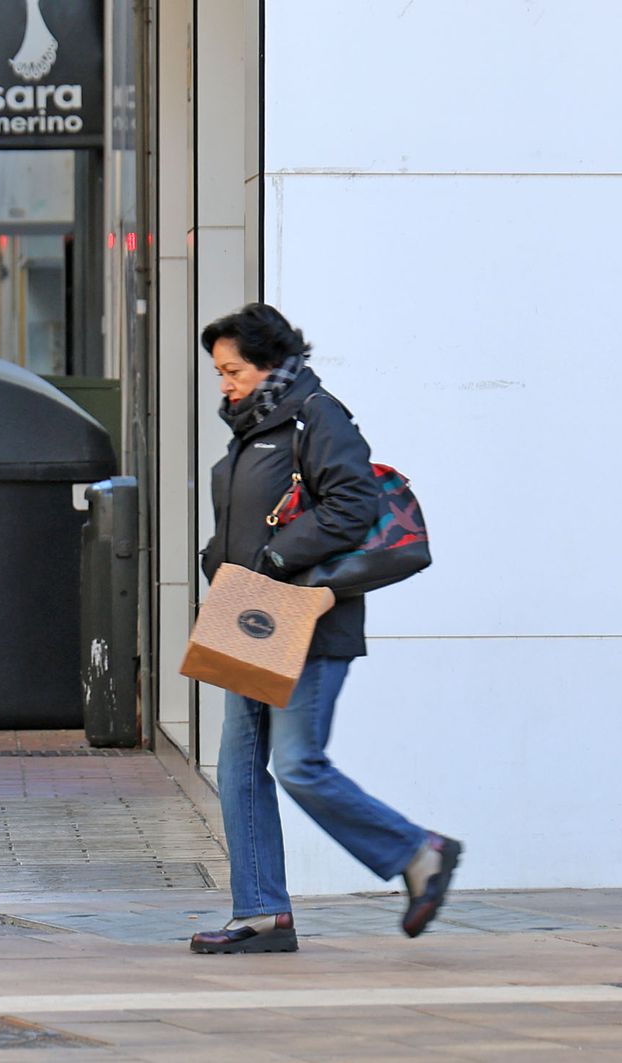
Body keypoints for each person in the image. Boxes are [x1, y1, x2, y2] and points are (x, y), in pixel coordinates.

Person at [190, 302, 461, 955]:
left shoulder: (318, 416)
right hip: (251, 615)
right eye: (219, 371)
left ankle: (419, 852)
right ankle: (260, 913)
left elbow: (352, 505)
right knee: (239, 767)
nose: (223, 383)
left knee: (298, 762)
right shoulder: (254, 427)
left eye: (233, 370)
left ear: (271, 362)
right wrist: (218, 562)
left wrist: (274, 562)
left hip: (307, 614)